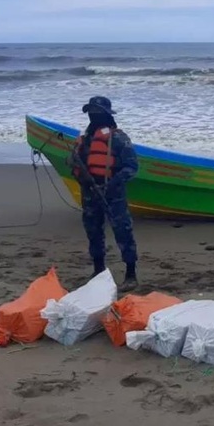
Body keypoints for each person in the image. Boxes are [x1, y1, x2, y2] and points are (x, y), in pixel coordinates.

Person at [68, 96, 140, 293]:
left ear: (107, 114)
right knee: (93, 232)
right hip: (90, 193)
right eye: (91, 112)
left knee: (123, 232)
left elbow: (131, 167)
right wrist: (79, 173)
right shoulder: (84, 139)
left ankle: (131, 274)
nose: (93, 115)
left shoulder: (118, 138)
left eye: (97, 112)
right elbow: (73, 164)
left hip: (113, 194)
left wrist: (111, 185)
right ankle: (98, 271)